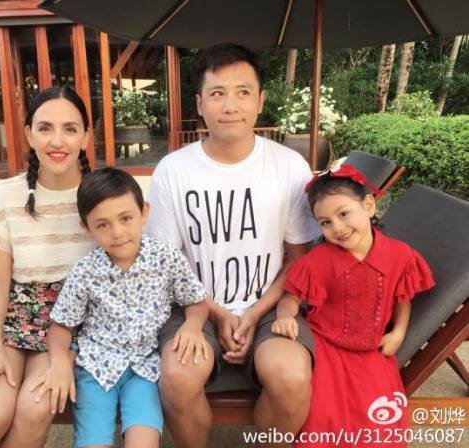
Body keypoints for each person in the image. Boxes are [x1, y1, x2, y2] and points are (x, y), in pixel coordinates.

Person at [145, 43, 321, 447]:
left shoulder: (288, 166)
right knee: (177, 378)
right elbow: (169, 264)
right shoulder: (173, 170)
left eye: (243, 92)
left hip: (272, 306)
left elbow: (300, 260)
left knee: (292, 377)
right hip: (194, 308)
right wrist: (220, 314)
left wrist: (254, 312)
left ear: (260, 101)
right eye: (217, 93)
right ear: (199, 104)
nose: (230, 105)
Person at [0, 86, 94, 448]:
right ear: (29, 135)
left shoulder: (101, 197)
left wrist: (66, 354)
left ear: (85, 137)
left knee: (34, 407)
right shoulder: (7, 197)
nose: (57, 141)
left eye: (70, 129)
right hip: (11, 314)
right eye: (45, 128)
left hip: (68, 322)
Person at [31, 168, 209, 448]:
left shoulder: (167, 259)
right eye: (102, 225)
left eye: (126, 218)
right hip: (95, 370)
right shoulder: (85, 271)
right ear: (86, 227)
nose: (117, 233)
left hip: (145, 371)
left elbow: (195, 301)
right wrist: (59, 361)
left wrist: (192, 326)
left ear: (144, 212)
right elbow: (62, 325)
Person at [272, 160, 435, 447]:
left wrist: (398, 333)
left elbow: (403, 296)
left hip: (372, 350)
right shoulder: (319, 260)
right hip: (325, 347)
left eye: (343, 213)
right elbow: (291, 297)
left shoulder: (400, 256)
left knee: (380, 417)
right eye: (325, 222)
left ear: (369, 206)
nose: (338, 227)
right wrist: (285, 316)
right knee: (324, 415)